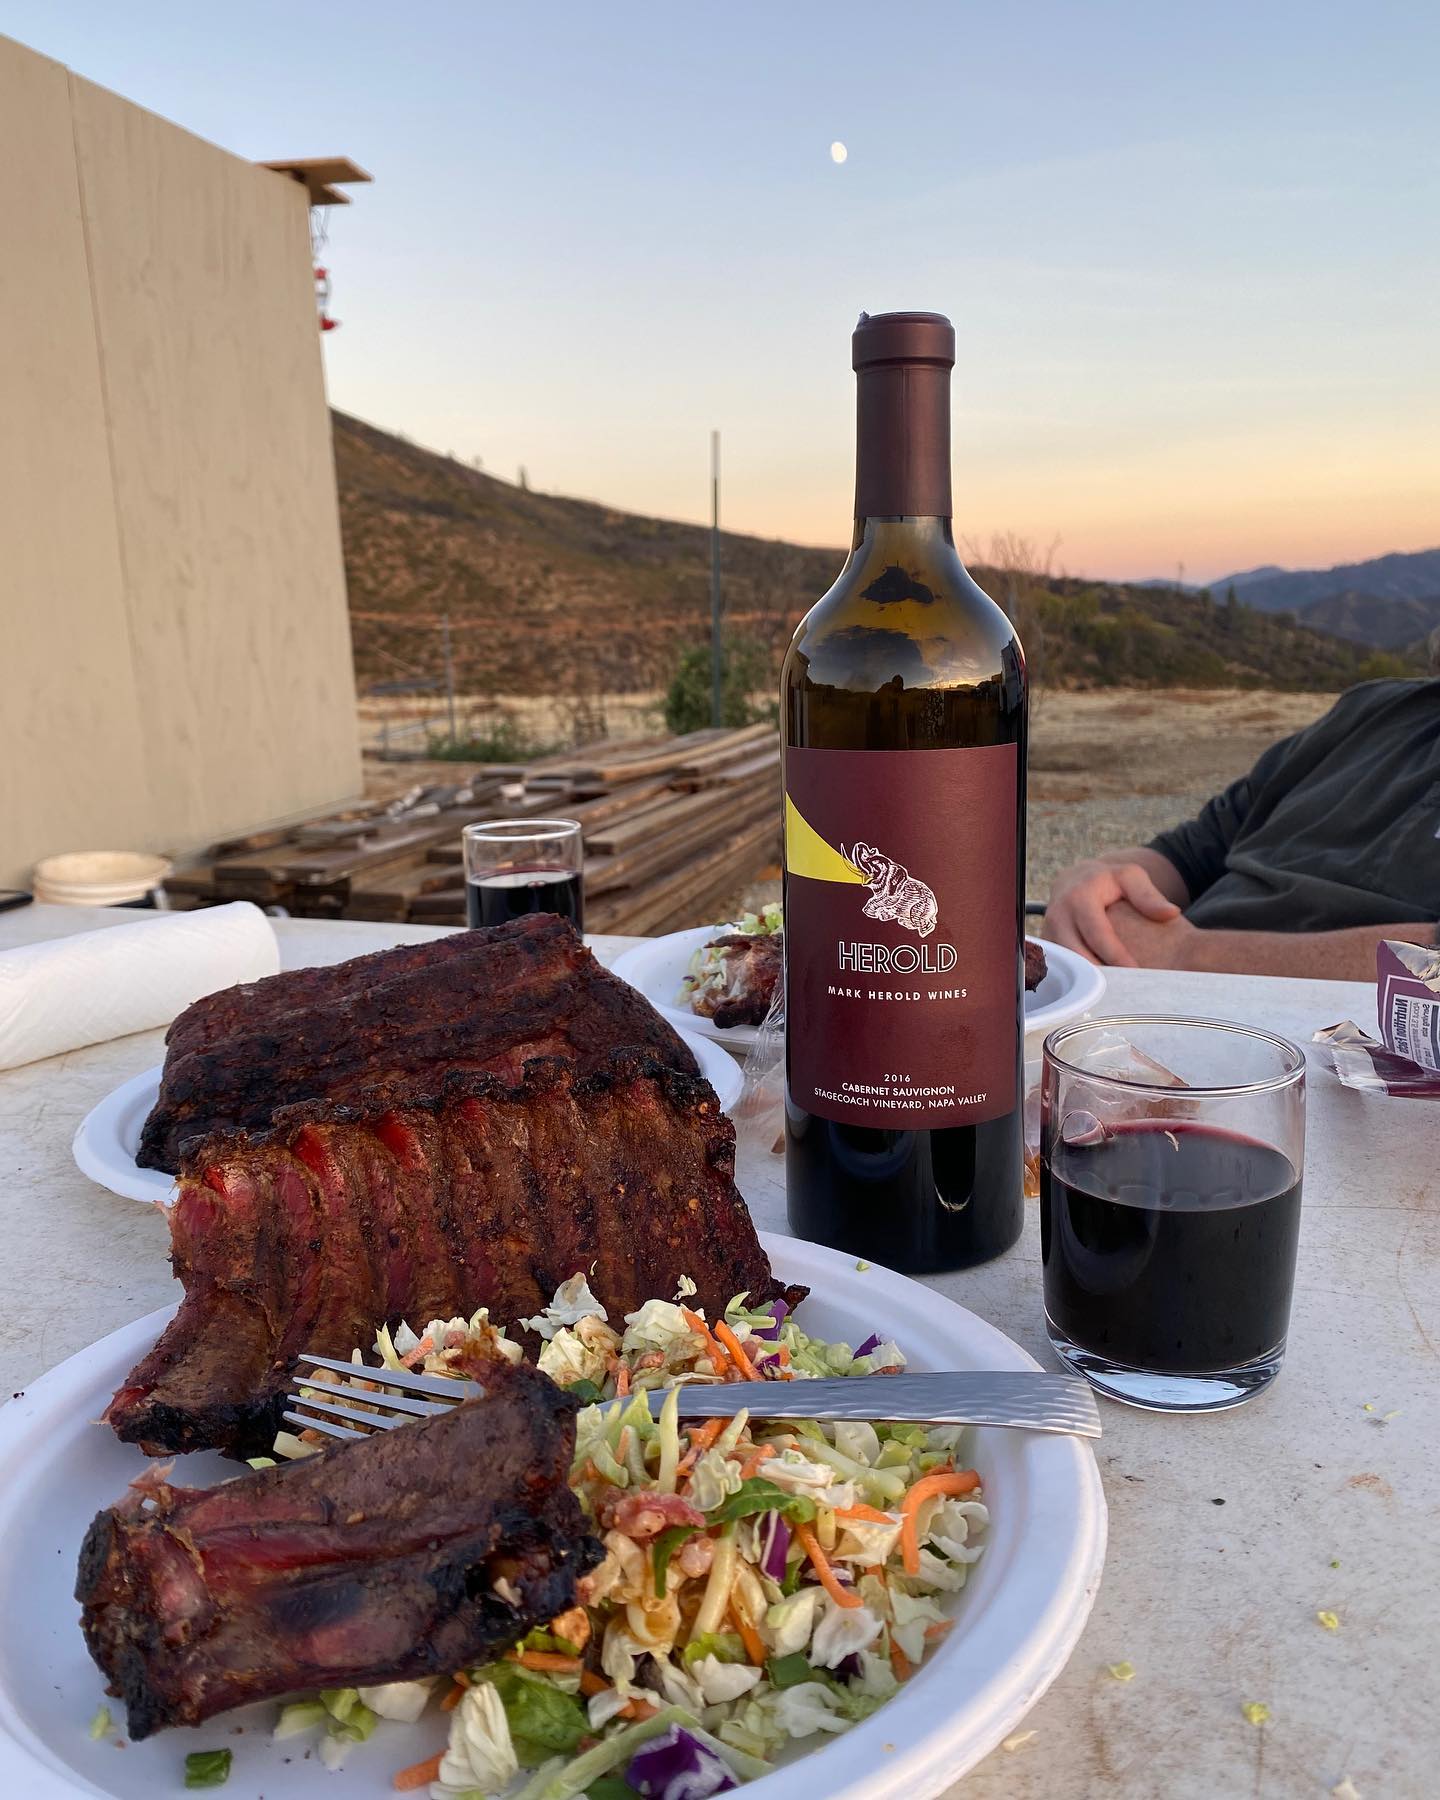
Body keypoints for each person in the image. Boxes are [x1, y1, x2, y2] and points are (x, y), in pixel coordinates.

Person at [1043, 663, 1440, 980]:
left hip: (1335, 1044)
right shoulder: (1375, 711)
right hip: (1151, 997)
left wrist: (1187, 955)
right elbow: (1191, 852)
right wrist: (1095, 880)